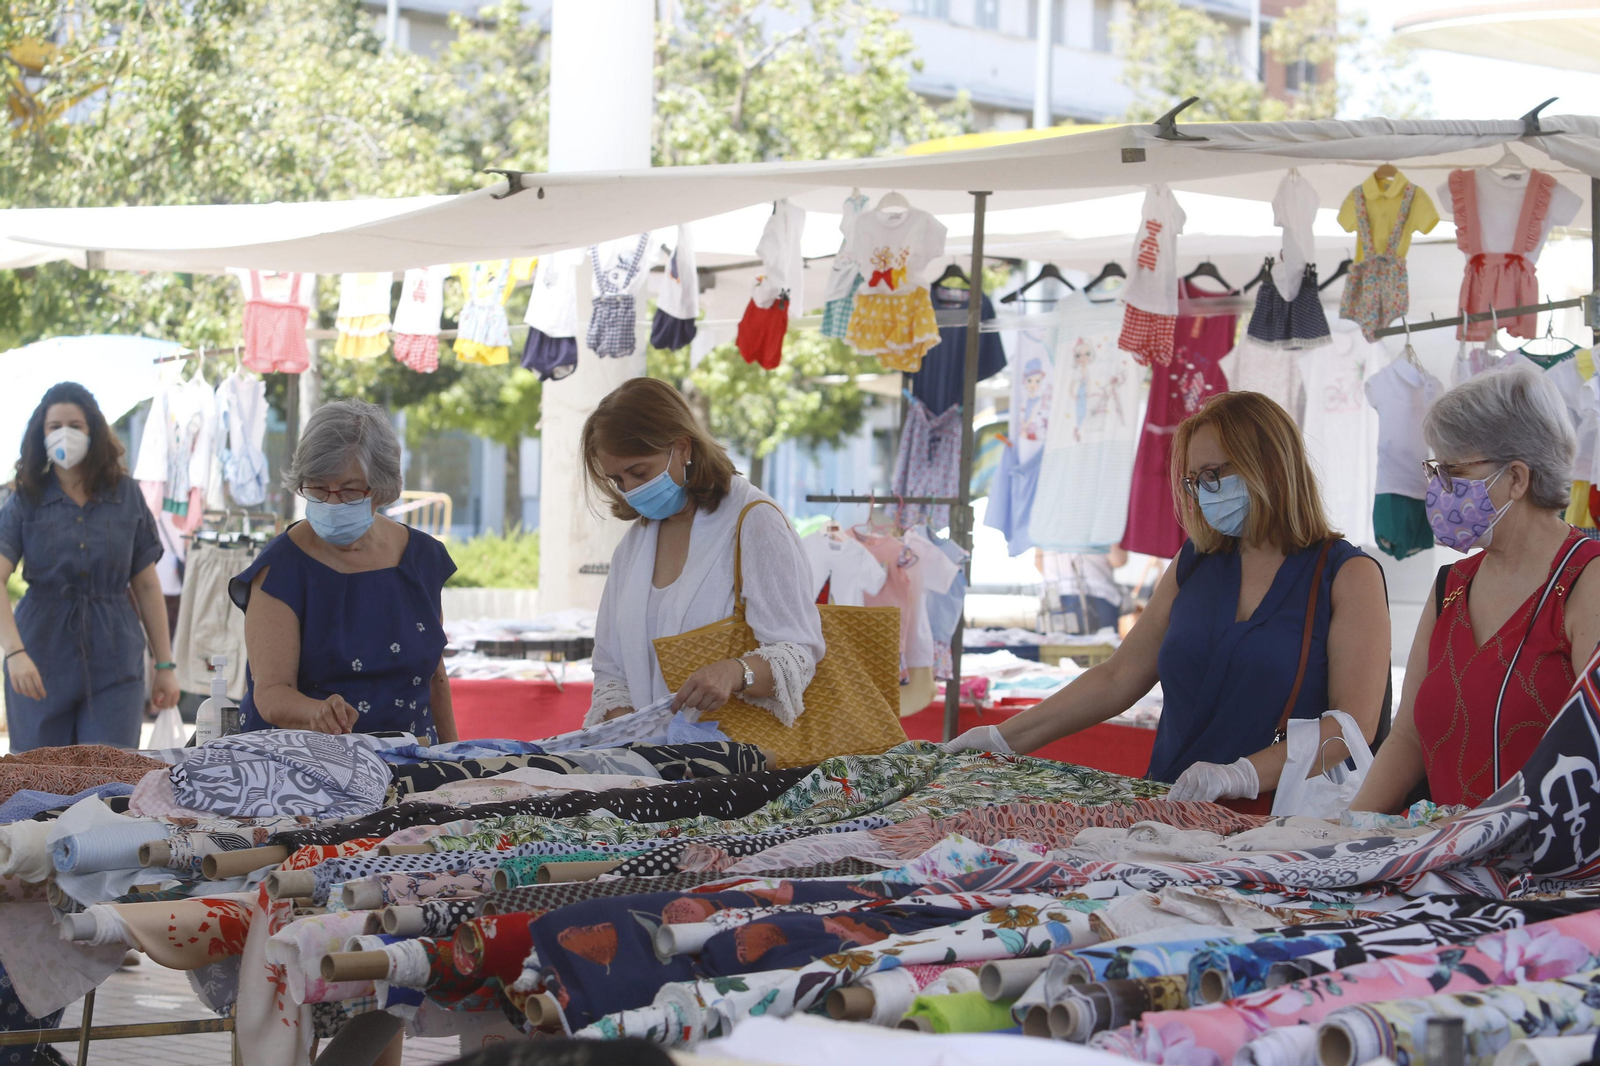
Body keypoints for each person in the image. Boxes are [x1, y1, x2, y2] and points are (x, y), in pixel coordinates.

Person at [947, 390, 1393, 805]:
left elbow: (1352, 727)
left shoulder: (1347, 575)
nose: (1203, 493)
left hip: (1280, 827)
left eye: (1215, 475)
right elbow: (1118, 677)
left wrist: (1242, 775)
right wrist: (1003, 738)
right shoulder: (1197, 561)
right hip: (1171, 808)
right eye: (1193, 480)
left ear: (1271, 466)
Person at [1352, 366, 1600, 812]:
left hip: (1549, 874)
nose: (1437, 488)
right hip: (1452, 867)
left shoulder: (1587, 581)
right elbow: (1408, 735)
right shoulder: (1452, 585)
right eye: (1436, 470)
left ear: (1517, 479)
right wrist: (1346, 831)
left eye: (1452, 471)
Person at [582, 378, 823, 725]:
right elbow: (609, 668)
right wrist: (631, 733)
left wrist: (735, 672)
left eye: (639, 472)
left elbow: (799, 651)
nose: (631, 490)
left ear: (682, 447)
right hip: (656, 765)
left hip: (737, 763)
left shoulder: (753, 521)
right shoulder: (633, 546)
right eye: (618, 481)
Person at [232, 399, 458, 743]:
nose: (333, 502)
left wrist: (454, 757)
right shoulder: (281, 567)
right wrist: (315, 712)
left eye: (350, 489)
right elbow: (272, 692)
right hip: (304, 767)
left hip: (411, 761)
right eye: (319, 488)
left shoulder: (422, 559)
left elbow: (433, 675)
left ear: (381, 488)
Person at [0, 382, 179, 750]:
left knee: (109, 779)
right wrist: (14, 653)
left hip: (115, 656)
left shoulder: (127, 495)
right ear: (41, 433)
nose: (65, 432)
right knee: (40, 782)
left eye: (76, 425)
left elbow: (146, 586)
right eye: (54, 426)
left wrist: (165, 665)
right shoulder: (25, 497)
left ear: (93, 431)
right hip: (39, 656)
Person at [1040, 547, 1127, 635]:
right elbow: (1118, 560)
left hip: (1053, 595)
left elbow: (1038, 563)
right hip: (1098, 594)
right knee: (1102, 646)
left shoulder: (1042, 532)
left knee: (1055, 645)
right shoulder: (1107, 532)